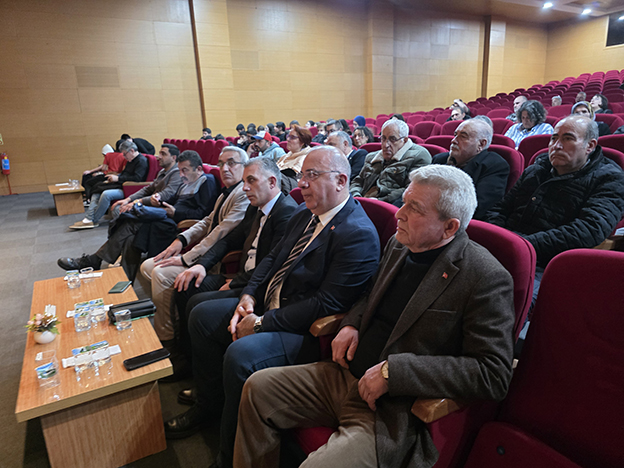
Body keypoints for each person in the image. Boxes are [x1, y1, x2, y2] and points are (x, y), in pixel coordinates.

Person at [233, 165, 515, 468]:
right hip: (343, 374)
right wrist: (352, 322)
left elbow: (493, 373)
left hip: (388, 408)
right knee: (257, 388)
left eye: (414, 208)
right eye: (404, 202)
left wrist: (394, 373)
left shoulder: (484, 276)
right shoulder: (399, 244)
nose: (399, 214)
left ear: (449, 227)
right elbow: (369, 292)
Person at [163, 147, 381, 468]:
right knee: (202, 316)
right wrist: (249, 296)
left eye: (312, 175)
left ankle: (228, 457)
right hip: (271, 303)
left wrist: (261, 323)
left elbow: (326, 304)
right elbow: (272, 259)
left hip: (306, 331)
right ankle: (211, 404)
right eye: (302, 174)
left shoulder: (357, 233)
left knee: (241, 354)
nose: (301, 183)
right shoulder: (305, 214)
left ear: (340, 181)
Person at [169, 157, 299, 370]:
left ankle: (207, 375)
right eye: (244, 181)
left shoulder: (286, 213)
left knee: (198, 307)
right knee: (185, 286)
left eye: (251, 180)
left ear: (272, 182)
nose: (245, 187)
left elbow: (272, 264)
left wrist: (237, 282)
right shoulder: (255, 207)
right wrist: (202, 265)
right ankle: (188, 358)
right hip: (241, 277)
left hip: (256, 286)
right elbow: (230, 240)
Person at [487, 115, 624, 295]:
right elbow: (501, 209)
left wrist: (520, 246)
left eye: (568, 139)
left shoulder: (610, 178)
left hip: (548, 265)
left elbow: (589, 230)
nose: (556, 146)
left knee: (494, 295)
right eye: (554, 138)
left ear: (590, 146)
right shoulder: (537, 168)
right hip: (506, 249)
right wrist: (498, 241)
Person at [139, 146, 250, 343]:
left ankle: (168, 337)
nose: (225, 169)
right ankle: (174, 319)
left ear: (245, 167)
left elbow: (220, 232)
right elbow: (207, 221)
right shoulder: (226, 192)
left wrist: (185, 258)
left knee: (161, 274)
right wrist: (181, 240)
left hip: (216, 261)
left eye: (232, 163)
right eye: (221, 164)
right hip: (204, 252)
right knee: (147, 266)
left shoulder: (243, 193)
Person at [57, 150, 219, 282]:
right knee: (131, 234)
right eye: (180, 169)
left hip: (178, 224)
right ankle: (123, 281)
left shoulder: (207, 181)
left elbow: (203, 213)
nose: (181, 174)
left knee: (132, 220)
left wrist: (175, 212)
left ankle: (97, 262)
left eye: (185, 170)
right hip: (167, 217)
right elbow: (173, 200)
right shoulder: (186, 182)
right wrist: (159, 203)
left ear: (199, 169)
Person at [432, 119, 509, 219]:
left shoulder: (494, 165)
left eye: (463, 136)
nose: (453, 140)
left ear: (481, 144)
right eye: (455, 135)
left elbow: (478, 208)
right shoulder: (439, 159)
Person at [350, 119, 431, 206]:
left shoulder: (419, 156)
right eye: (383, 138)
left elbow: (410, 189)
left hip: (388, 206)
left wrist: (378, 201)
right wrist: (356, 197)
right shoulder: (371, 157)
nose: (386, 145)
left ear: (404, 140)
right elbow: (358, 181)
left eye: (393, 139)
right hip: (360, 203)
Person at [70, 140, 148, 230]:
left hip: (129, 188)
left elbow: (137, 178)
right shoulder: (131, 160)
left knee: (106, 194)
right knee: (97, 188)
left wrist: (118, 178)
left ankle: (93, 220)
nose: (124, 156)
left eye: (124, 154)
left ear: (132, 151)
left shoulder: (141, 161)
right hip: (123, 184)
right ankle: (88, 218)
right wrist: (115, 177)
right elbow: (125, 174)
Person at [111, 144, 182, 217]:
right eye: (160, 153)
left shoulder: (177, 172)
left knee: (119, 210)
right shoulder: (162, 171)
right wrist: (128, 199)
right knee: (118, 208)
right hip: (151, 204)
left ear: (173, 158)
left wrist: (137, 202)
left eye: (163, 154)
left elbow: (166, 194)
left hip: (162, 209)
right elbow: (148, 189)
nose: (159, 157)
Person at [276, 124, 313, 193]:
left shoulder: (305, 158)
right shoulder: (288, 154)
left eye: (292, 137)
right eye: (288, 136)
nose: (287, 139)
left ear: (302, 142)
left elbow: (293, 182)